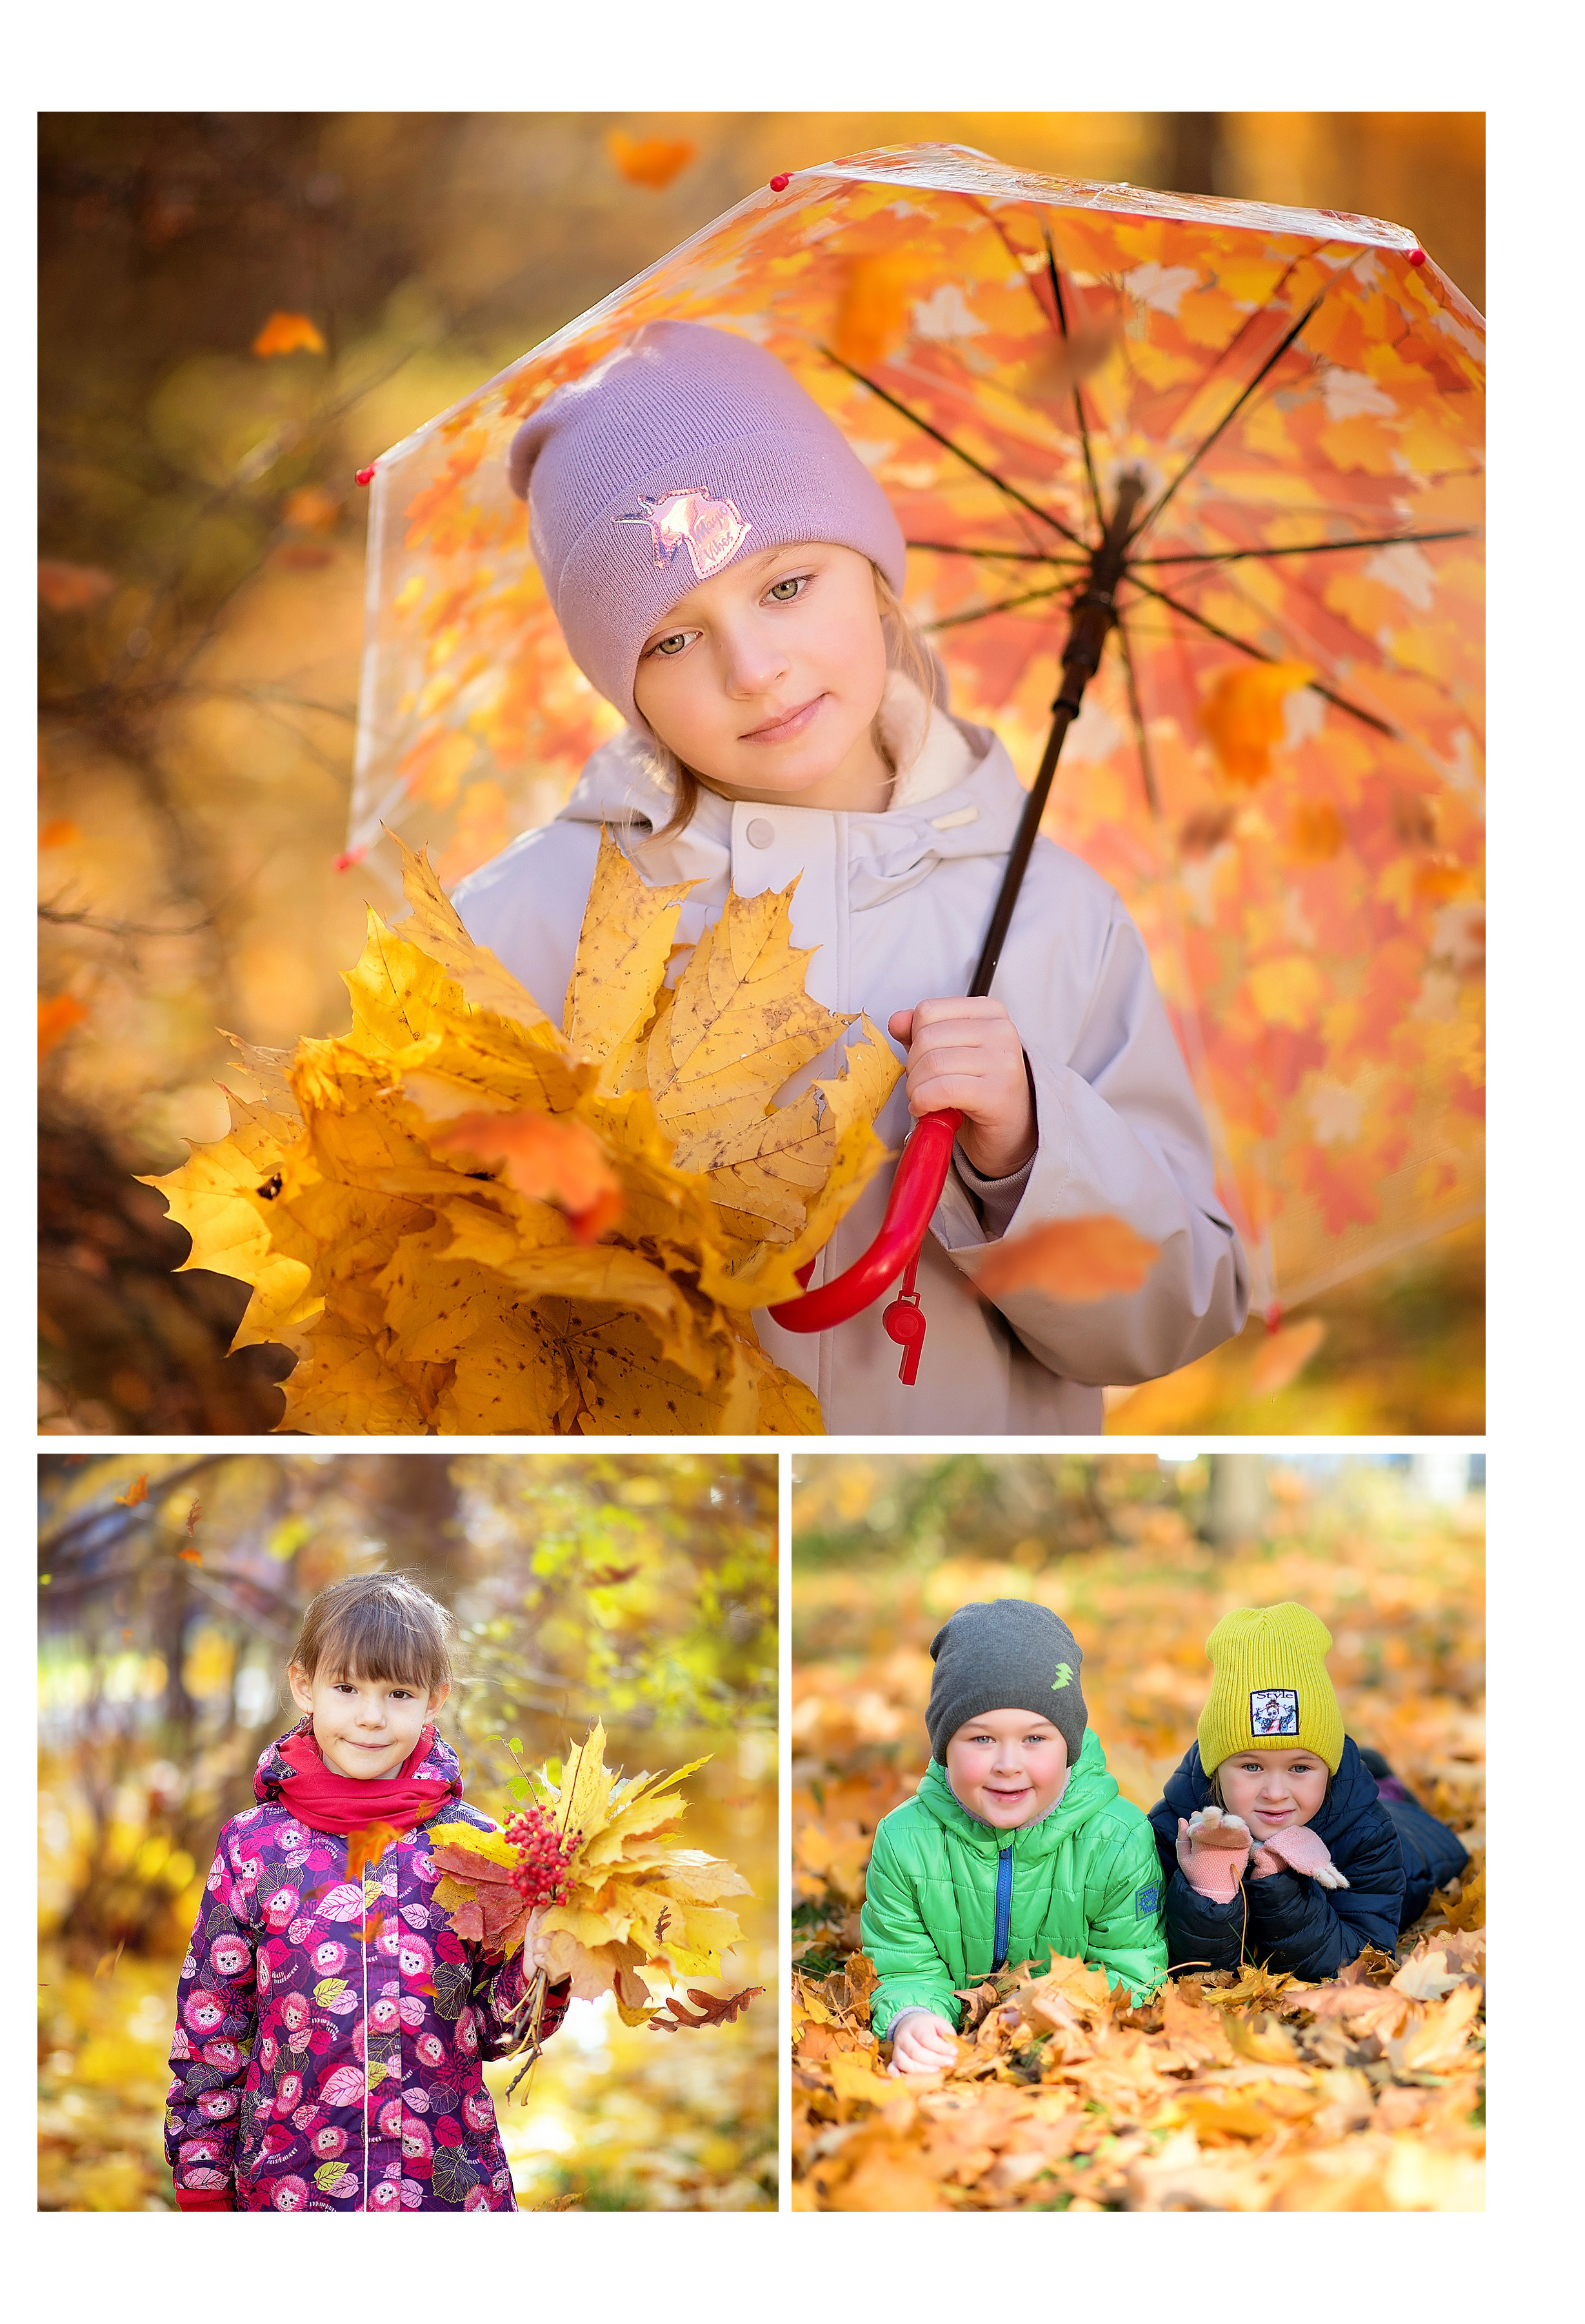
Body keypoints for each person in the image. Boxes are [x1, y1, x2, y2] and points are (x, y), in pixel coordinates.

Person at [452, 321, 1248, 1436]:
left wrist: (1029, 1145)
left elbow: (1175, 1310)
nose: (753, 667)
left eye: (786, 584)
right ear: (616, 682)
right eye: (672, 641)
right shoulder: (526, 925)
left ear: (873, 579)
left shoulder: (1053, 921)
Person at [163, 1574, 566, 2212]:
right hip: (289, 2184)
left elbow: (493, 2034)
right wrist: (202, 2174)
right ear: (305, 1685)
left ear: (434, 1698)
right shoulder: (253, 1845)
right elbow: (212, 2023)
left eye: (398, 1692)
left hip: (443, 2186)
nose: (371, 1715)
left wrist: (545, 1970)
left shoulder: (478, 1849)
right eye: (347, 1686)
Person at [856, 1599, 1166, 2074]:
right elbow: (904, 1966)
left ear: (1069, 1745)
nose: (1007, 1763)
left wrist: (1056, 2007)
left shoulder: (1117, 1839)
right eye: (981, 1739)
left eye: (1035, 1739)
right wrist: (913, 2018)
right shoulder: (904, 1841)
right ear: (943, 1749)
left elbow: (1131, 1964)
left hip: (1066, 2051)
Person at [1147, 1603, 1470, 1980]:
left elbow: (1357, 1961)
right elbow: (1185, 1970)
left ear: (1328, 1770)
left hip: (1412, 1837)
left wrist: (1278, 1884)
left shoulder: (1368, 1835)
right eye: (1251, 1767)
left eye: (1300, 1767)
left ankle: (1386, 1784)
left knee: (1405, 1816)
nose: (1275, 1792)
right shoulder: (1176, 1827)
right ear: (1216, 1767)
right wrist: (1211, 1885)